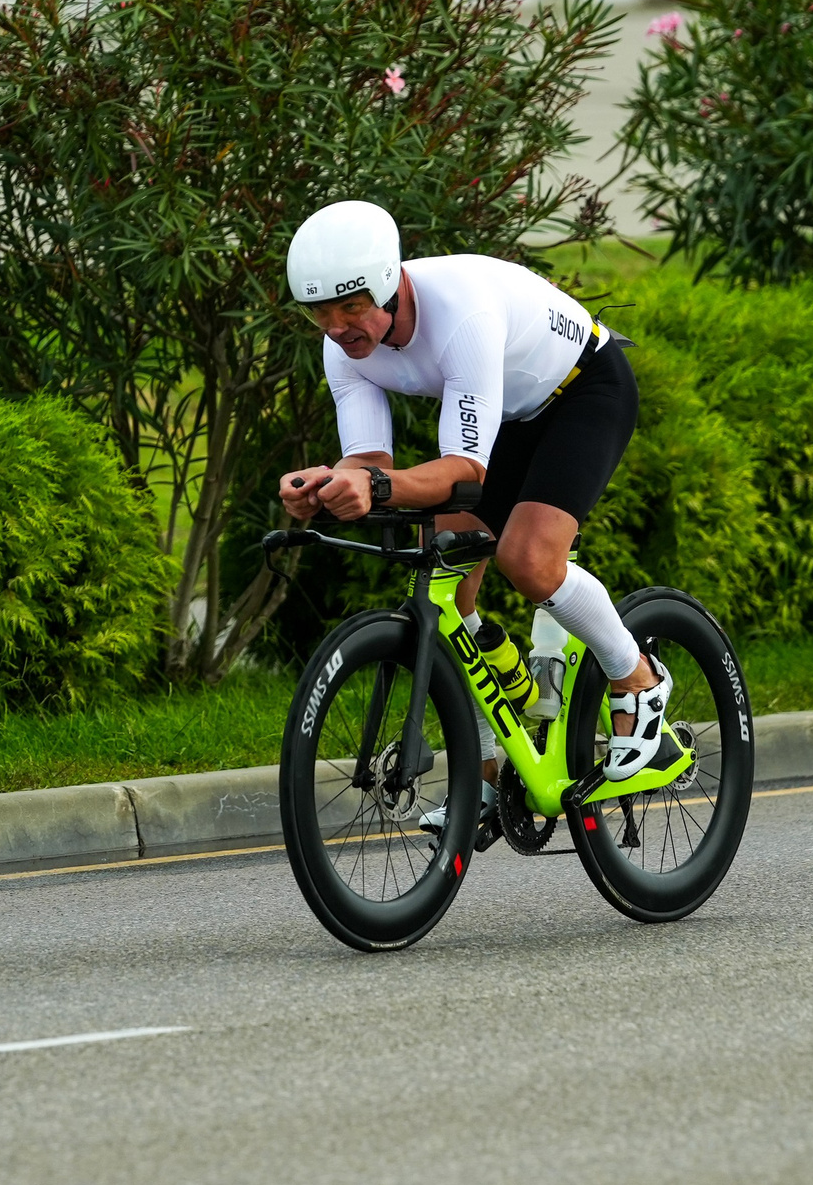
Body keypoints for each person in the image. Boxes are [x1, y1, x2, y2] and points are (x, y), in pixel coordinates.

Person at [274, 199, 667, 827]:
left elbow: (466, 474)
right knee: (445, 587)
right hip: (509, 416)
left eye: (352, 308)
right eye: (321, 313)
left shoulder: (462, 314)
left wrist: (372, 486)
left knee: (529, 561)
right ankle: (487, 774)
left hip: (584, 393)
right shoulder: (342, 348)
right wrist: (325, 485)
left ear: (390, 286)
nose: (340, 326)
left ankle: (639, 681)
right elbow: (369, 460)